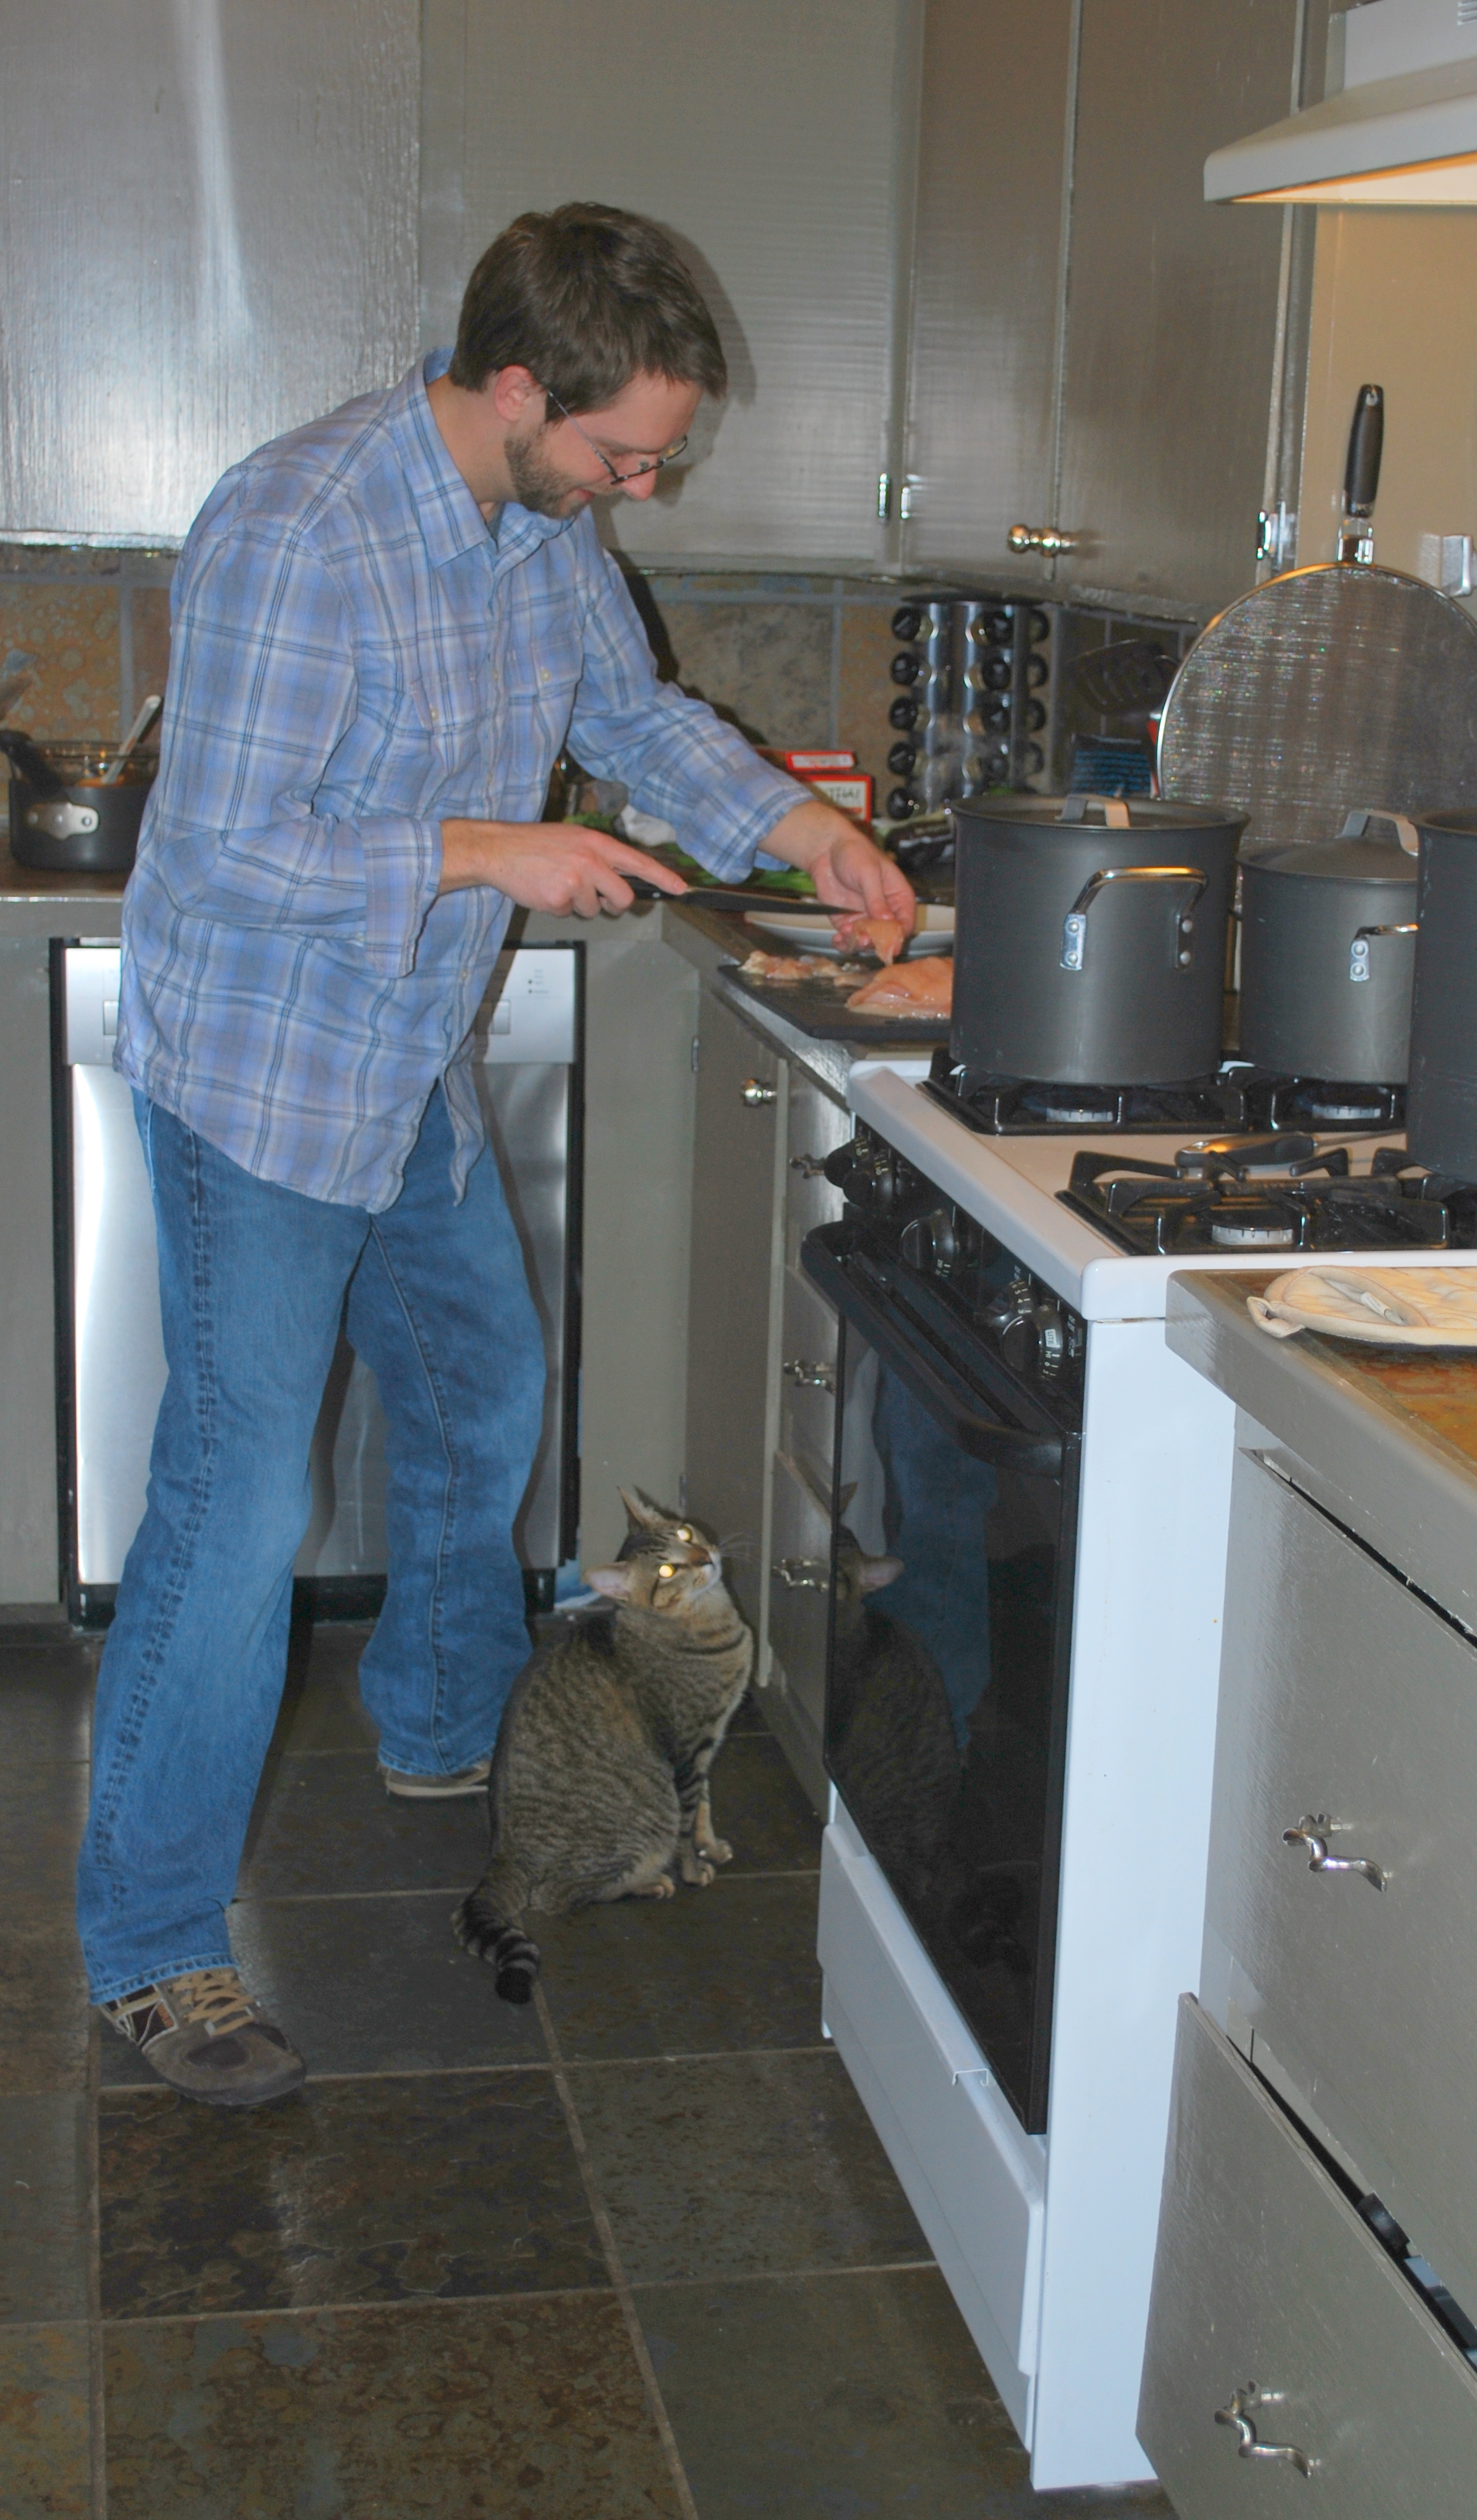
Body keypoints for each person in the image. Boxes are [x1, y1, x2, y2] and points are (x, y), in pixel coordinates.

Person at [79, 201, 915, 2107]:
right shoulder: (297, 527)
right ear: (520, 390)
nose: (643, 485)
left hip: (410, 1069)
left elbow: (632, 718)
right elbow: (221, 848)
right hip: (265, 1083)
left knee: (482, 1386)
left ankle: (441, 1724)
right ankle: (155, 1949)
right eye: (626, 452)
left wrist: (801, 830)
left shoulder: (544, 528)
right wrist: (487, 849)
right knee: (238, 1515)